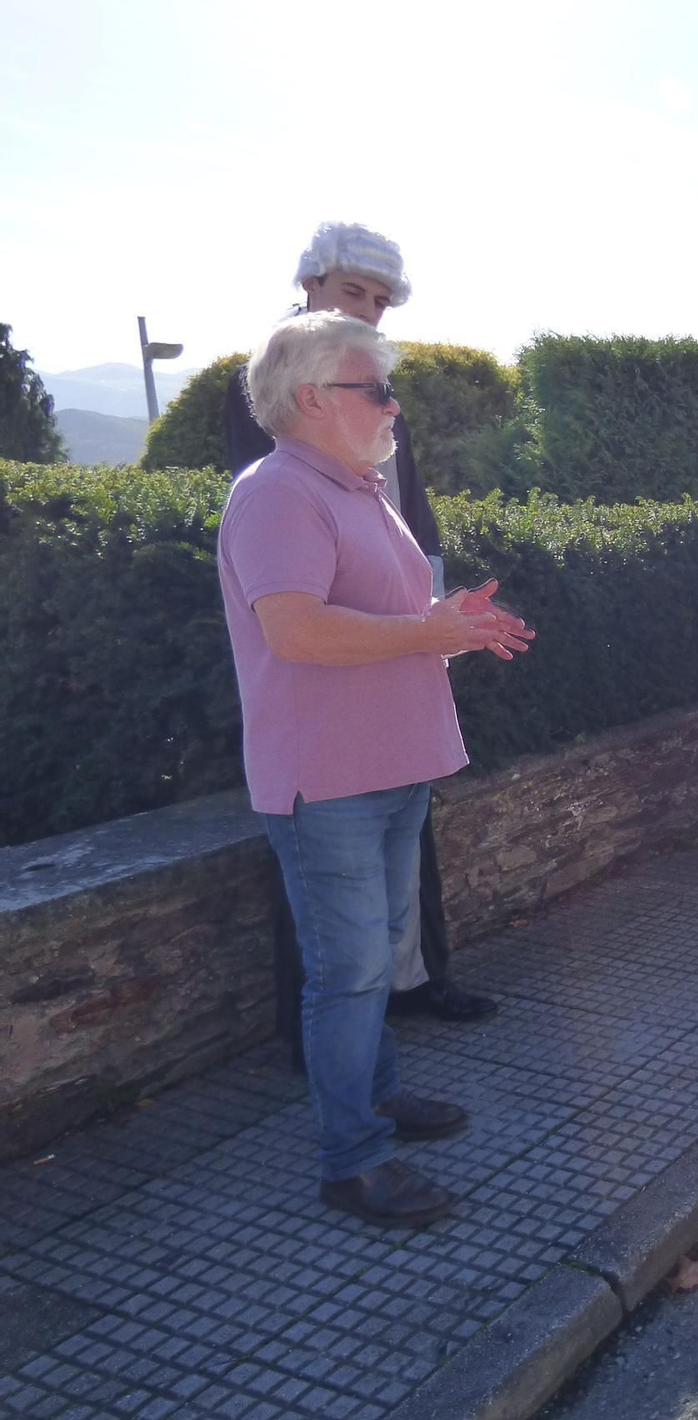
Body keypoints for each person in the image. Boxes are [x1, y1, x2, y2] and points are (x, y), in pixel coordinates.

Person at [217, 312, 534, 1227]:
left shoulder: (359, 489)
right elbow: (298, 628)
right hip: (329, 781)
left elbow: (383, 623)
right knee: (350, 971)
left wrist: (450, 622)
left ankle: (378, 1097)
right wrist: (426, 630)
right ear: (312, 398)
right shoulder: (278, 492)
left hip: (387, 767)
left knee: (375, 957)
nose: (396, 406)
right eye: (378, 389)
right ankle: (349, 1160)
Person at [222, 222, 496, 1034]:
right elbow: (281, 555)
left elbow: (408, 508)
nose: (371, 311)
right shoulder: (284, 389)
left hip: (397, 648)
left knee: (410, 844)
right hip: (322, 694)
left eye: (380, 299)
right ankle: (332, 1047)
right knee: (323, 897)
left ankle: (413, 986)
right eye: (355, 293)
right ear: (310, 287)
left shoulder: (367, 384)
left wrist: (437, 610)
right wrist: (417, 626)